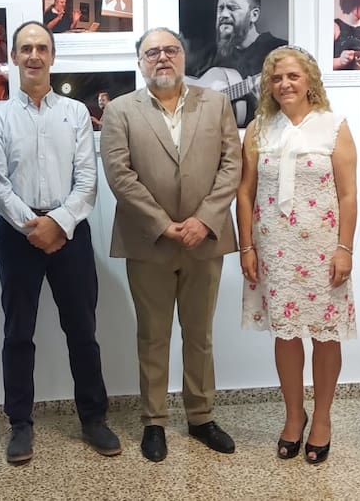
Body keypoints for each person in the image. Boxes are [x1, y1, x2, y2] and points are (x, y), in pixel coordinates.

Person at [100, 26, 241, 462]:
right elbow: (119, 175)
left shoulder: (215, 104)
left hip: (205, 239)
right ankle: (154, 421)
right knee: (153, 335)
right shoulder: (121, 110)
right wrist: (163, 224)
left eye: (171, 50)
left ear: (184, 56)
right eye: (152, 52)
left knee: (200, 335)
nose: (162, 58)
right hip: (149, 241)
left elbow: (231, 164)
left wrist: (205, 219)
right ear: (140, 61)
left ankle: (200, 416)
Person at [0, 21, 120, 465]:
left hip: (70, 234)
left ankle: (93, 418)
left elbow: (88, 181)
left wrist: (57, 224)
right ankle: (20, 424)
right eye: (25, 49)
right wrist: (32, 225)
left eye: (42, 48)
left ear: (53, 56)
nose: (34, 56)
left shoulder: (76, 113)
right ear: (15, 58)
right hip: (17, 234)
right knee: (17, 334)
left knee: (82, 331)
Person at [235, 46, 357, 464]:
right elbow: (245, 191)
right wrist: (246, 245)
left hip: (323, 249)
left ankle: (322, 418)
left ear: (309, 81)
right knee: (285, 333)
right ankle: (293, 416)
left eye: (292, 76)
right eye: (276, 78)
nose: (284, 84)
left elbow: (347, 193)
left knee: (325, 334)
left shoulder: (333, 125)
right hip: (275, 249)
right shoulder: (258, 129)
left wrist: (345, 248)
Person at [185, 0, 288, 128]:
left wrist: (263, 106)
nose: (224, 14)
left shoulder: (281, 51)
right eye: (220, 8)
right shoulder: (209, 55)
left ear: (254, 15)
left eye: (232, 8)